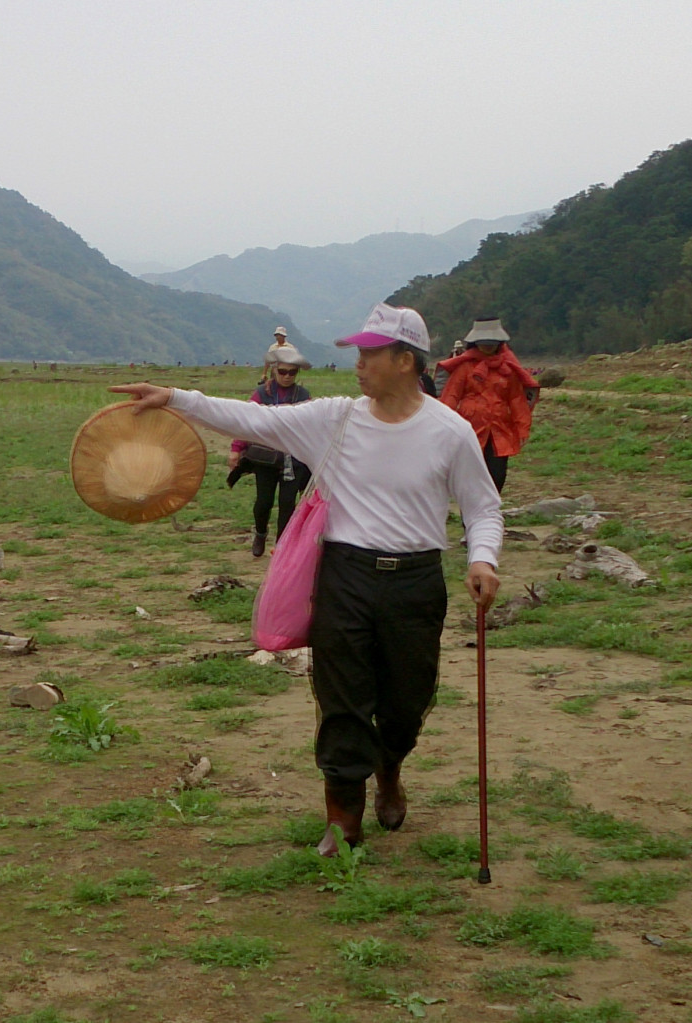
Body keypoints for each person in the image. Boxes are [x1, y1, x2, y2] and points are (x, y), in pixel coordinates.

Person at [110, 302, 502, 857]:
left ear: (406, 361)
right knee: (341, 698)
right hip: (344, 576)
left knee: (405, 703)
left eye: (370, 354)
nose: (359, 364)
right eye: (359, 353)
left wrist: (481, 558)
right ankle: (343, 819)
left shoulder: (450, 431)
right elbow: (254, 420)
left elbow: (483, 508)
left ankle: (389, 764)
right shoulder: (335, 419)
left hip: (415, 583)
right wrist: (175, 399)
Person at [436, 317, 540, 494]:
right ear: (475, 343)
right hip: (469, 428)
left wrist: (523, 427)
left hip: (500, 428)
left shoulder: (508, 370)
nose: (488, 346)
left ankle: (489, 513)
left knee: (497, 475)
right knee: (471, 475)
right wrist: (442, 424)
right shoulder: (465, 367)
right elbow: (451, 395)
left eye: (491, 343)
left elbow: (516, 400)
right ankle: (469, 517)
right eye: (484, 343)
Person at [228, 348, 312, 557]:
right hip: (265, 458)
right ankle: (260, 533)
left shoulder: (303, 396)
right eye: (282, 371)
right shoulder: (262, 393)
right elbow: (246, 421)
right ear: (274, 370)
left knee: (287, 504)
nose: (286, 376)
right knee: (263, 502)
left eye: (292, 373)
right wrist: (236, 449)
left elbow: (313, 425)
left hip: (294, 459)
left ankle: (282, 547)